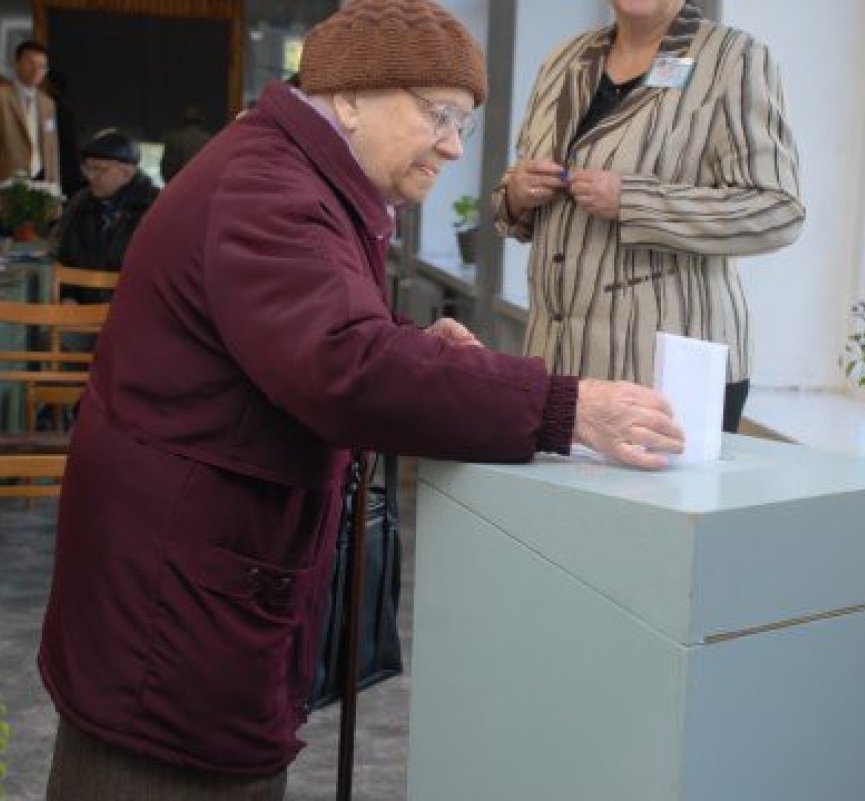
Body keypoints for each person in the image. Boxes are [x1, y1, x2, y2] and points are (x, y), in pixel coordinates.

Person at [37, 0, 683, 796]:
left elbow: (308, 325)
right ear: (349, 96)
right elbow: (342, 364)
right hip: (170, 614)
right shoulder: (270, 189)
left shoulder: (293, 172)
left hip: (183, 578)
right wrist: (563, 407)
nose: (453, 146)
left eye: (463, 124)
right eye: (439, 115)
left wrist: (412, 342)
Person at [493, 0, 805, 433]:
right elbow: (522, 195)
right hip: (558, 363)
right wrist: (516, 193)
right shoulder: (563, 58)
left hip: (668, 373)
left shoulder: (734, 57)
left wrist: (634, 201)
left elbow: (777, 209)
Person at [51, 129, 159, 304]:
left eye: (99, 170)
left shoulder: (156, 208)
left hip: (134, 310)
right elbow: (66, 257)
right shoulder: (82, 203)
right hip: (82, 311)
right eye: (88, 169)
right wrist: (68, 296)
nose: (91, 177)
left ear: (126, 173)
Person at [0, 40, 60, 230]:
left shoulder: (48, 104)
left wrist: (55, 193)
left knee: (38, 240)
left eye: (42, 66)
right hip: (8, 186)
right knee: (7, 237)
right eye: (30, 63)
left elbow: (52, 151)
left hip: (40, 184)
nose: (36, 70)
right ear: (17, 64)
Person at [43, 68, 87, 198]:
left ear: (54, 88)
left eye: (42, 84)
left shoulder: (55, 111)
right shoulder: (62, 111)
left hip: (59, 177)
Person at [160, 105, 214, 182]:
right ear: (201, 119)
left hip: (180, 184)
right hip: (203, 184)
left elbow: (167, 169)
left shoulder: (173, 139)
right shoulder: (209, 140)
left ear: (183, 120)